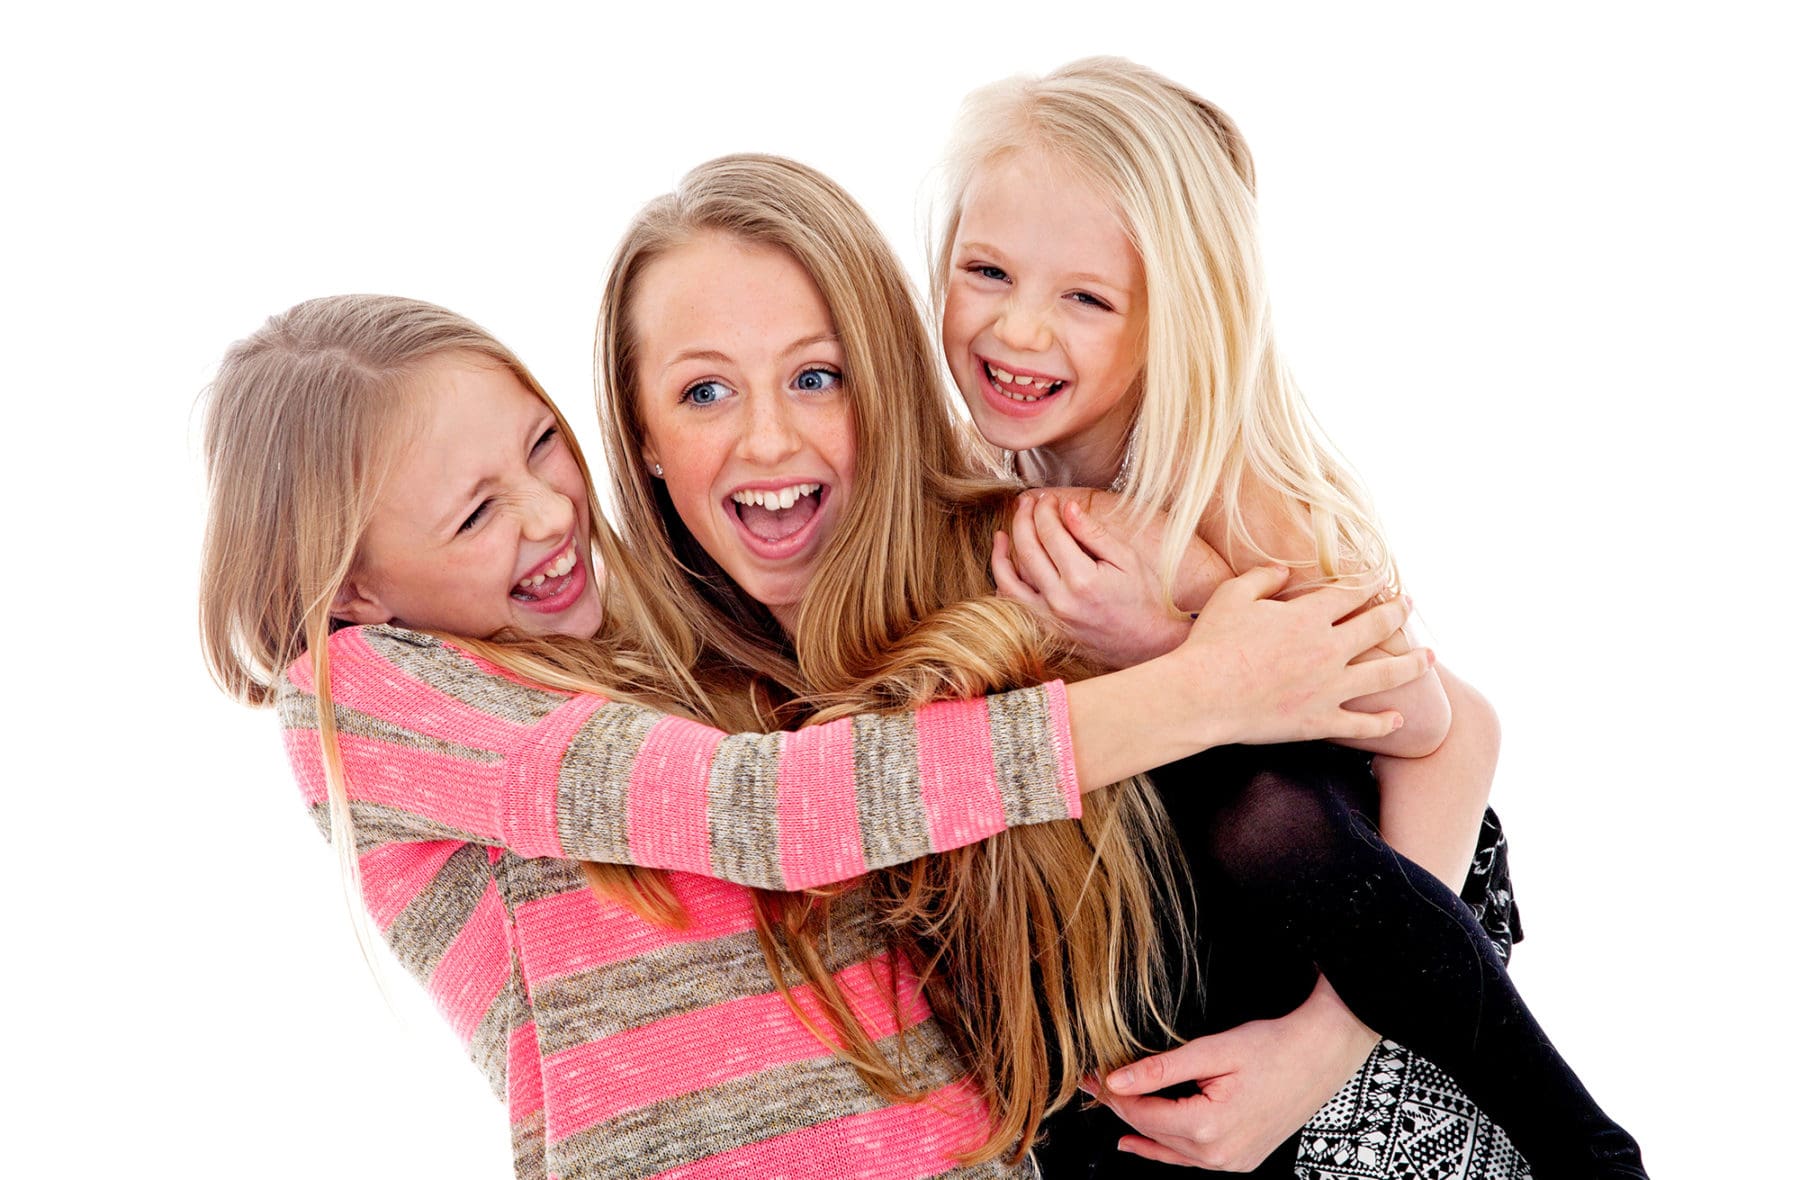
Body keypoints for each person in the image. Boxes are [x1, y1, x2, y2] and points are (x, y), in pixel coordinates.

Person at [197, 293, 1423, 1179]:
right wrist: (1207, 686)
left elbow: (1436, 726)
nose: (548, 511)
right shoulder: (364, 690)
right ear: (352, 587)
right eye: (474, 513)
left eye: (539, 443)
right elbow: (772, 813)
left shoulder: (664, 655)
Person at [930, 58, 1647, 1176]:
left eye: (1086, 297)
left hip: (1374, 915)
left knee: (1243, 784)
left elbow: (1429, 722)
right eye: (986, 270)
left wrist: (1189, 629)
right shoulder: (977, 487)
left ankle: (1591, 1152)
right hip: (1166, 949)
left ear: (1177, 318)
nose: (1019, 329)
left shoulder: (1229, 493)